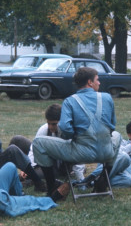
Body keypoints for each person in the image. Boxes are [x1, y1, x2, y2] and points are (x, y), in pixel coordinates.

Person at [33, 67, 121, 199]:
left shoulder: (70, 101)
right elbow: (112, 125)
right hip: (106, 152)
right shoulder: (107, 98)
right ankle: (103, 178)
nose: (99, 83)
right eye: (97, 80)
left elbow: (65, 128)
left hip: (81, 154)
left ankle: (51, 187)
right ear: (90, 82)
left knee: (38, 143)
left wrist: (75, 136)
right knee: (118, 136)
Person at [77, 120, 131, 188]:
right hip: (112, 168)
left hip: (126, 175)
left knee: (129, 180)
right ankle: (90, 178)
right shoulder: (122, 143)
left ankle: (93, 183)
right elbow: (115, 156)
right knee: (124, 156)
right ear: (129, 135)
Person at [28, 103, 86, 182]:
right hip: (46, 161)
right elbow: (33, 149)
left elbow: (78, 154)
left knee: (34, 174)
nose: (50, 127)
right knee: (17, 140)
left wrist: (80, 178)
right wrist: (30, 167)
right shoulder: (44, 129)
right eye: (48, 123)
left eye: (54, 124)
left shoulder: (69, 132)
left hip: (61, 166)